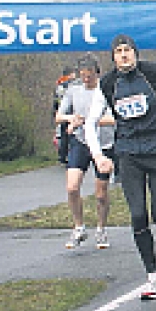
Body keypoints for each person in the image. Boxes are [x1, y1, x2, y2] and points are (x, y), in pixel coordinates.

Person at [84, 34, 156, 299]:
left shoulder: (154, 73)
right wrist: (98, 155)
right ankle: (153, 275)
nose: (124, 55)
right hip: (128, 156)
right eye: (119, 51)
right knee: (138, 215)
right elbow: (91, 122)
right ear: (113, 57)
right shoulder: (108, 84)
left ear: (135, 53)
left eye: (128, 50)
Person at [57, 56, 115, 250]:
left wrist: (91, 121)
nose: (86, 80)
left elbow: (115, 118)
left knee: (101, 193)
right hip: (81, 142)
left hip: (104, 143)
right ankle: (79, 227)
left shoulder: (106, 89)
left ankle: (101, 228)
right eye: (83, 77)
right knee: (72, 187)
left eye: (89, 76)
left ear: (97, 74)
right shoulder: (73, 91)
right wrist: (72, 117)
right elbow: (59, 116)